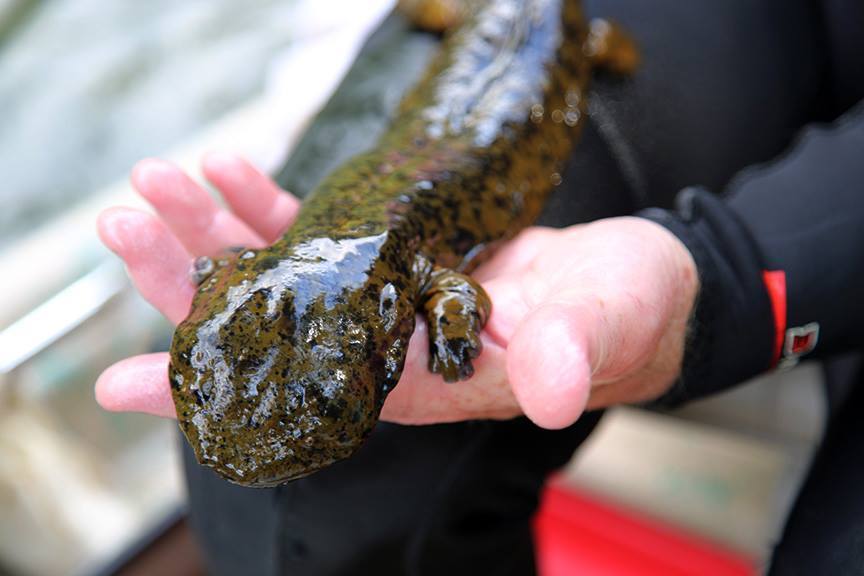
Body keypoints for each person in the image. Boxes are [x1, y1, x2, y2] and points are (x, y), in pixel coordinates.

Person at [95, 0, 863, 573]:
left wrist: (458, 339)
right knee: (303, 501)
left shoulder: (405, 274)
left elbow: (460, 300)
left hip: (536, 59)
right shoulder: (342, 279)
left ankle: (577, 48)